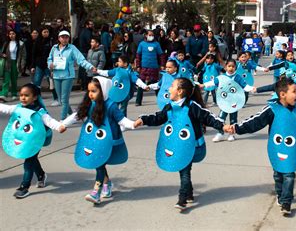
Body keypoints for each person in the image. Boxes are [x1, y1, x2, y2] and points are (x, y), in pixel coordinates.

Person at [223, 78, 296, 216]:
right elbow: (255, 122)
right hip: (277, 148)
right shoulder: (271, 110)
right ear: (282, 94)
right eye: (294, 91)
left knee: (289, 174)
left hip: (292, 150)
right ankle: (280, 194)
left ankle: (286, 201)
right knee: (278, 174)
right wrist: (236, 128)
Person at [134, 78, 224, 211]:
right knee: (183, 169)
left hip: (191, 145)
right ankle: (189, 193)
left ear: (180, 91)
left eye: (172, 86)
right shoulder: (170, 106)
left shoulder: (192, 106)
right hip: (177, 145)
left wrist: (222, 126)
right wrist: (143, 120)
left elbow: (208, 117)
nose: (169, 89)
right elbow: (159, 117)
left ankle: (182, 199)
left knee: (184, 171)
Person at [62, 77, 135, 204]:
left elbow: (122, 120)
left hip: (107, 140)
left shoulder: (111, 106)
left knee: (99, 164)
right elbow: (77, 115)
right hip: (92, 139)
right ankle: (107, 184)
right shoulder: (90, 103)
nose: (90, 94)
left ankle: (96, 192)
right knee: (98, 163)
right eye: (89, 91)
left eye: (94, 91)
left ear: (104, 91)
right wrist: (63, 124)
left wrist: (134, 124)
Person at [0, 83, 66, 198]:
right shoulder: (18, 108)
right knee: (32, 159)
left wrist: (59, 126)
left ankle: (24, 187)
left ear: (35, 97)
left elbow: (49, 121)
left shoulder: (39, 112)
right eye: (21, 95)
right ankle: (41, 175)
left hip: (35, 141)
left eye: (26, 95)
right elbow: (5, 108)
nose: (23, 98)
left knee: (28, 163)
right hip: (23, 140)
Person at [199, 59, 254, 142]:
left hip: (234, 102)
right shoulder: (222, 77)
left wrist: (252, 89)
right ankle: (220, 133)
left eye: (233, 66)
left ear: (235, 67)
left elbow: (245, 86)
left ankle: (231, 134)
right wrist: (203, 85)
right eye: (229, 66)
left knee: (233, 118)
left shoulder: (237, 77)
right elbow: (213, 82)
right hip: (224, 102)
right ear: (225, 67)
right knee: (221, 117)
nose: (231, 68)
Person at [47, 31, 96, 119]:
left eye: (66, 37)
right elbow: (49, 58)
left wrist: (90, 67)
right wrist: (50, 64)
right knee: (61, 100)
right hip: (56, 75)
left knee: (64, 100)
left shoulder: (72, 48)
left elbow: (81, 60)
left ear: (69, 39)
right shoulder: (54, 48)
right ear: (59, 38)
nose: (64, 39)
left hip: (68, 77)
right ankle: (75, 115)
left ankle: (63, 120)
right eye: (62, 37)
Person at [31, 27, 59, 106]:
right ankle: (38, 100)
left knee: (51, 82)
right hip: (39, 65)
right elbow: (34, 54)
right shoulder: (37, 41)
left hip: (48, 65)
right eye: (44, 32)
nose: (46, 33)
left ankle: (56, 99)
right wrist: (32, 66)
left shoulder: (51, 41)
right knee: (36, 83)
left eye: (47, 32)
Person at [135, 30, 164, 106]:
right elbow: (138, 56)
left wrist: (162, 64)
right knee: (141, 84)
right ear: (146, 35)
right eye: (150, 35)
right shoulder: (142, 44)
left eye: (152, 35)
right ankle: (138, 101)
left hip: (154, 67)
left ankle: (160, 100)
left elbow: (161, 55)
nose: (151, 36)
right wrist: (138, 66)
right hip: (144, 67)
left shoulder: (156, 44)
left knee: (156, 85)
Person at [0, 30, 27, 102]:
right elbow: (1, 52)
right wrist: (3, 55)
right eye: (10, 34)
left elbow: (24, 55)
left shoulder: (21, 43)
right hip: (7, 63)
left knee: (14, 79)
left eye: (13, 34)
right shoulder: (6, 43)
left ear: (16, 34)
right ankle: (3, 94)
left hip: (16, 63)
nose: (11, 35)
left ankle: (14, 93)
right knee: (6, 79)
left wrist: (22, 65)